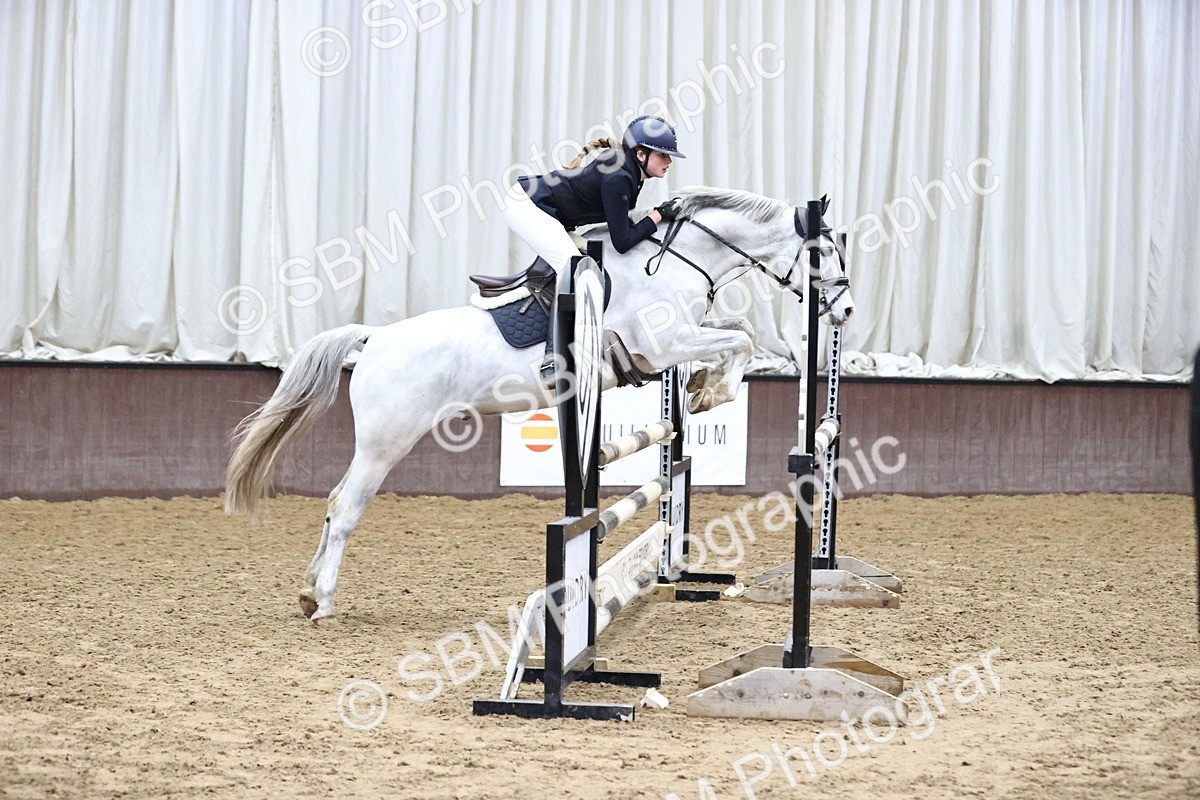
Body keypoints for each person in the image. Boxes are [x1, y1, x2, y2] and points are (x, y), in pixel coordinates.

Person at [502, 115, 685, 382]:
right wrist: (656, 216)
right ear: (641, 154)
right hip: (527, 206)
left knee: (589, 265)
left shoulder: (632, 173)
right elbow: (622, 242)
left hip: (549, 210)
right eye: (664, 155)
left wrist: (655, 217)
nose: (669, 162)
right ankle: (553, 360)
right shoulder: (620, 178)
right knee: (574, 270)